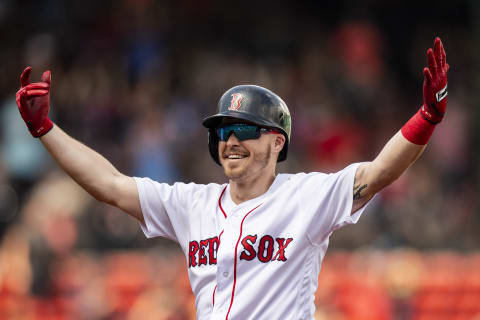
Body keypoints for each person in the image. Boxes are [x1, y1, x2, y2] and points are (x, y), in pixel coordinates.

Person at [15, 37, 448, 319]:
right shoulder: (191, 205)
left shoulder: (308, 196)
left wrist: (427, 117)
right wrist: (45, 131)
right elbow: (108, 184)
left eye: (243, 129)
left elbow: (378, 173)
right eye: (223, 131)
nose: (230, 141)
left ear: (277, 142)